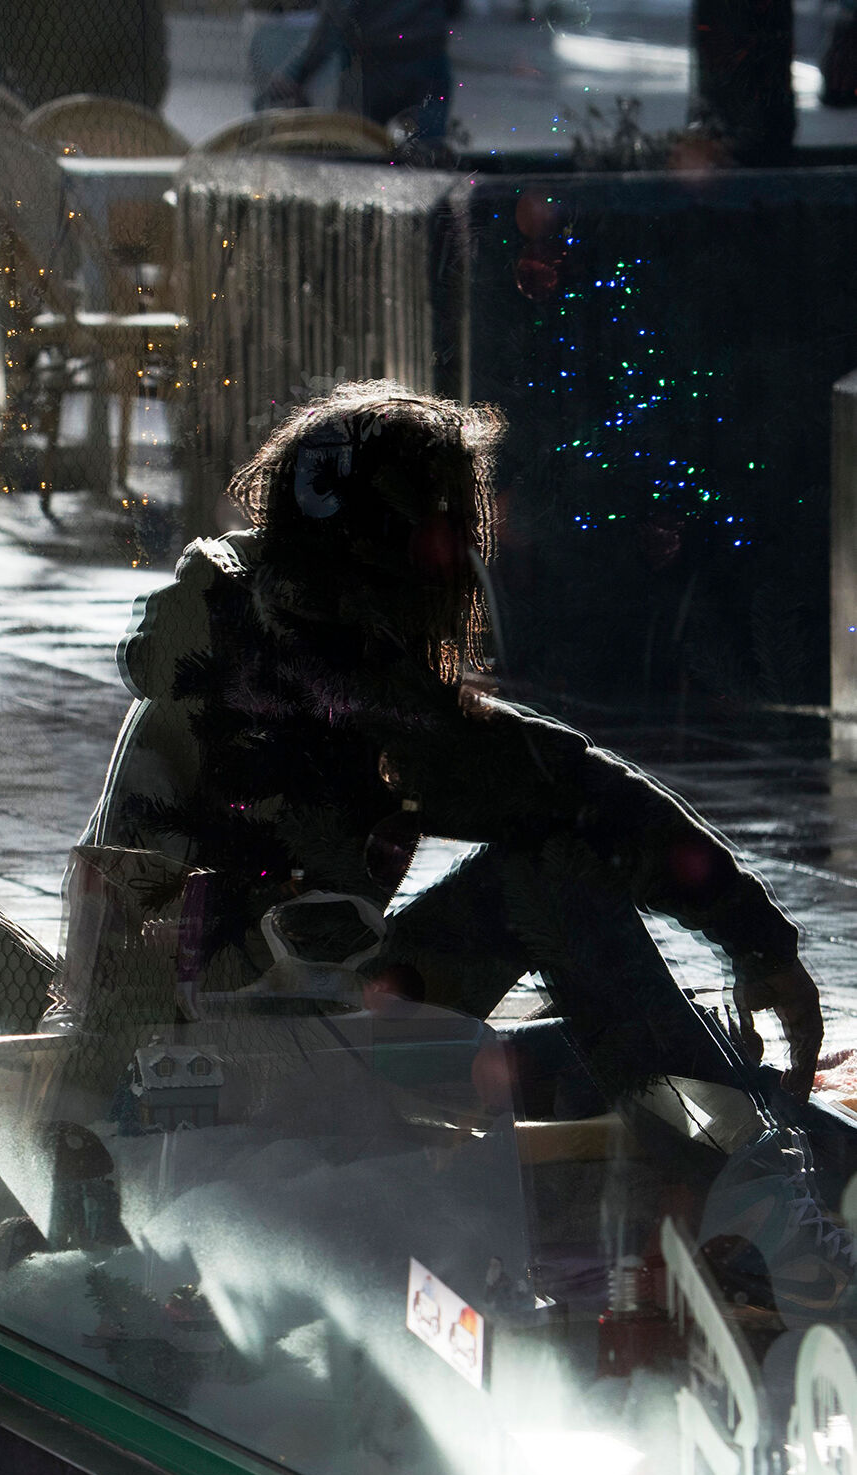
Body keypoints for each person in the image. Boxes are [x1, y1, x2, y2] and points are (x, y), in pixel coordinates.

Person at [84, 382, 854, 1319]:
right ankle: (760, 1220)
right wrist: (758, 940)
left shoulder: (252, 623)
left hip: (216, 1050)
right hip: (233, 1083)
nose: (464, 553)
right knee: (552, 887)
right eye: (450, 524)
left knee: (595, 1034)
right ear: (394, 538)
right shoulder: (312, 673)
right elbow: (566, 792)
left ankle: (746, 1168)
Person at [261, 0, 456, 145]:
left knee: (357, 149)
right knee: (427, 151)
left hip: (373, 68)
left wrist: (296, 74)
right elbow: (454, 8)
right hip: (426, 57)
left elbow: (335, 22)